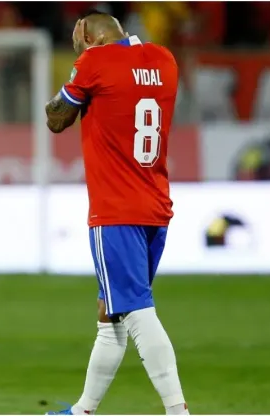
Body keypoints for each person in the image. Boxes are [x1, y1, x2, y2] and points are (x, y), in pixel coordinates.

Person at [44, 11, 189, 415]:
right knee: (111, 313)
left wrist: (73, 79)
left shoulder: (94, 62)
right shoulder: (164, 60)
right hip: (155, 205)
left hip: (115, 209)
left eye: (77, 37)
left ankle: (178, 410)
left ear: (88, 36)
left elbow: (57, 119)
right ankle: (82, 410)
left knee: (138, 312)